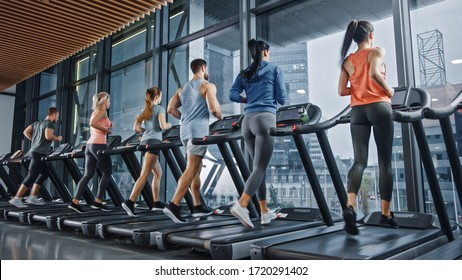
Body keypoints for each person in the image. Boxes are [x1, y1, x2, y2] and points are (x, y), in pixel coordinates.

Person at [338, 20, 397, 235]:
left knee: (359, 161)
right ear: (370, 35)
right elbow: (373, 73)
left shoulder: (348, 60)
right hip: (379, 107)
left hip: (357, 111)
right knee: (385, 162)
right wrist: (389, 90)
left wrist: (358, 86)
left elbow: (341, 91)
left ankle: (350, 206)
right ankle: (386, 215)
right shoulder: (376, 50)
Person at [228, 39, 287, 228]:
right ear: (266, 52)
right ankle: (242, 204)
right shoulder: (274, 69)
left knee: (257, 168)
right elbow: (282, 99)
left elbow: (232, 95)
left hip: (247, 121)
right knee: (260, 167)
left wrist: (248, 98)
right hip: (265, 119)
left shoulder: (245, 73)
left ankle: (264, 212)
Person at [164, 58, 222, 223]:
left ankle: (197, 206)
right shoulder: (207, 85)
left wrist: (185, 118)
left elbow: (170, 109)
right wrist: (220, 116)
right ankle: (174, 205)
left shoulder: (183, 89)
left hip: (185, 131)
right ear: (203, 68)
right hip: (198, 132)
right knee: (191, 168)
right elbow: (213, 108)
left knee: (195, 169)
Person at [121, 87, 172, 216]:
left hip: (144, 142)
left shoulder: (144, 110)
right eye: (160, 96)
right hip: (154, 143)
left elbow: (135, 128)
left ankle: (156, 202)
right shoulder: (159, 109)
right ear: (156, 97)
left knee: (158, 173)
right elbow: (162, 126)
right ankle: (130, 202)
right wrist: (169, 125)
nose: (160, 98)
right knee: (144, 174)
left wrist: (146, 132)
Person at [68, 92, 113, 213]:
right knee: (107, 172)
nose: (110, 103)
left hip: (90, 145)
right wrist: (107, 130)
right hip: (98, 144)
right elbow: (92, 124)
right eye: (108, 100)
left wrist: (108, 126)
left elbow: (95, 125)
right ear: (104, 101)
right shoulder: (102, 111)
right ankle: (98, 201)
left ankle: (75, 202)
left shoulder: (96, 111)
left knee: (88, 174)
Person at [9, 107, 62, 208]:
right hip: (39, 152)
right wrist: (57, 138)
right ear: (53, 114)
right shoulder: (49, 124)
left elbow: (26, 132)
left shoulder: (37, 123)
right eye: (57, 116)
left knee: (44, 173)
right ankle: (17, 198)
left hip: (35, 151)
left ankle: (33, 196)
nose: (58, 119)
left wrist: (35, 141)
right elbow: (48, 136)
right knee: (32, 176)